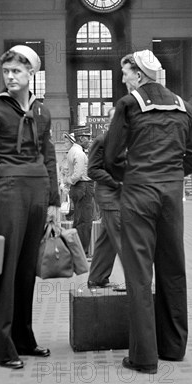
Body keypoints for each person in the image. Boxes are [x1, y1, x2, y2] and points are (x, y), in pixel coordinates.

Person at [104, 50, 192, 374]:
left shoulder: (129, 105)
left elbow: (111, 156)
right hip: (172, 195)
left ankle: (144, 357)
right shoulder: (184, 106)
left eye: (126, 73)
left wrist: (132, 176)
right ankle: (173, 347)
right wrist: (171, 174)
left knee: (139, 274)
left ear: (140, 75)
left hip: (138, 194)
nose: (123, 80)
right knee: (173, 268)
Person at [0, 45, 60, 369]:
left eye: (17, 71)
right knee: (5, 271)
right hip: (8, 191)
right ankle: (3, 347)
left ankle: (24, 338)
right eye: (6, 71)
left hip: (38, 191)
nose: (10, 76)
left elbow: (49, 157)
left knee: (26, 272)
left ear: (31, 73)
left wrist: (54, 203)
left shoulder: (42, 111)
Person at [87, 107, 124, 289]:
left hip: (120, 196)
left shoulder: (126, 141)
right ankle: (135, 281)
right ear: (109, 122)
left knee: (107, 239)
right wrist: (116, 182)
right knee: (123, 238)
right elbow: (92, 170)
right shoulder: (101, 140)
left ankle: (97, 277)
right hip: (110, 197)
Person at [65, 128, 94, 256]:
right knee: (85, 220)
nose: (89, 140)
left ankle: (76, 250)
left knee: (78, 219)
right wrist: (69, 180)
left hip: (78, 188)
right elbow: (78, 174)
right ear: (81, 138)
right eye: (87, 137)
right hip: (83, 186)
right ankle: (82, 251)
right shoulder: (80, 153)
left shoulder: (72, 151)